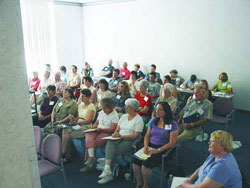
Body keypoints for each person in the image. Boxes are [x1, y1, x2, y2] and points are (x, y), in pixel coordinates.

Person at [133, 102, 179, 188]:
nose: (157, 111)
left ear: (166, 111)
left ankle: (146, 185)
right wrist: (146, 146)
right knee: (135, 161)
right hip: (150, 145)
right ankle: (139, 183)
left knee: (145, 165)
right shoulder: (154, 120)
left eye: (160, 110)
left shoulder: (172, 124)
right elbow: (147, 136)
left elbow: (171, 143)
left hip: (163, 148)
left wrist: (157, 150)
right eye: (156, 109)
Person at [98, 99, 144, 184]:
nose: (126, 108)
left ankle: (108, 172)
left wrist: (122, 136)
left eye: (128, 107)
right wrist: (115, 134)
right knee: (110, 142)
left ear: (133, 108)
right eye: (126, 106)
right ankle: (107, 169)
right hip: (119, 138)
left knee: (113, 151)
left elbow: (135, 136)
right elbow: (117, 129)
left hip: (130, 141)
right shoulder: (123, 116)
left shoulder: (139, 120)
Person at [80, 98, 119, 172]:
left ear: (110, 107)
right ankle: (91, 157)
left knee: (93, 142)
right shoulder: (101, 112)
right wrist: (93, 127)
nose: (104, 110)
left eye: (105, 108)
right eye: (103, 108)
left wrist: (101, 129)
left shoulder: (115, 115)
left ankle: (89, 163)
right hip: (97, 130)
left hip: (106, 132)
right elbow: (96, 123)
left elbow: (112, 129)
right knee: (88, 135)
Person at [61, 89, 96, 162]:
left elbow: (89, 120)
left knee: (67, 136)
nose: (81, 98)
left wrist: (77, 123)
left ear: (88, 97)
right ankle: (64, 153)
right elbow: (78, 117)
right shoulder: (80, 105)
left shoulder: (91, 106)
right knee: (65, 130)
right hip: (78, 123)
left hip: (86, 125)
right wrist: (74, 119)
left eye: (83, 96)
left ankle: (65, 154)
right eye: (81, 96)